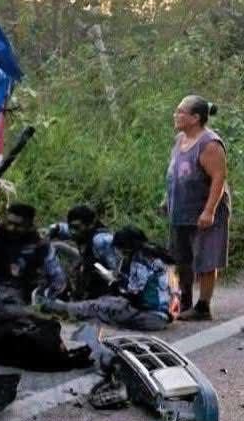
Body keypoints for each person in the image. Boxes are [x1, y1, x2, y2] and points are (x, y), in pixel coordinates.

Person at [164, 95, 230, 320]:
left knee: (205, 258)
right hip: (181, 209)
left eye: (180, 112)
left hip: (205, 209)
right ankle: (184, 301)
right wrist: (167, 199)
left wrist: (210, 210)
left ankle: (203, 306)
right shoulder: (180, 139)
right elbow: (176, 173)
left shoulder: (210, 144)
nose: (176, 115)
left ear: (195, 118)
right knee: (180, 257)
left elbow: (218, 178)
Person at [35, 226, 176, 331]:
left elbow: (133, 295)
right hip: (162, 313)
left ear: (127, 247)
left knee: (101, 306)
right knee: (105, 302)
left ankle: (59, 308)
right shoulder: (154, 254)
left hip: (151, 316)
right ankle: (65, 308)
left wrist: (114, 284)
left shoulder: (139, 262)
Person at [0, 202, 66, 304]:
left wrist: (45, 297)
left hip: (20, 292)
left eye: (18, 225)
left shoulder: (40, 245)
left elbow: (57, 277)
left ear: (29, 226)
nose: (11, 228)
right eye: (9, 223)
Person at [48, 205, 118, 299]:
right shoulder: (81, 232)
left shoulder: (101, 241)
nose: (72, 232)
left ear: (90, 225)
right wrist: (54, 228)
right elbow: (63, 228)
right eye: (71, 227)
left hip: (105, 289)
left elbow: (118, 272)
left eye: (76, 228)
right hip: (90, 274)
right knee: (56, 246)